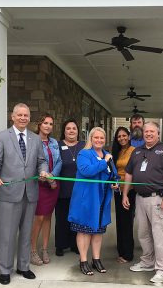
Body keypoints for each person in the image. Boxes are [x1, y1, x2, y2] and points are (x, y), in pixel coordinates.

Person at [0, 103, 50, 285]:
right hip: (8, 193)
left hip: (30, 193)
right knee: (7, 233)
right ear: (12, 117)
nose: (23, 118)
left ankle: (23, 266)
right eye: (19, 115)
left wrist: (44, 170)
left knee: (26, 233)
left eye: (26, 115)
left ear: (30, 118)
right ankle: (5, 270)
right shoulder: (1, 137)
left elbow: (41, 161)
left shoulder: (35, 139)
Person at [123, 121, 163, 284]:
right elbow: (128, 174)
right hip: (140, 198)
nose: (148, 134)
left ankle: (162, 269)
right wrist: (125, 194)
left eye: (152, 131)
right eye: (146, 131)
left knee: (159, 235)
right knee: (143, 233)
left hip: (158, 199)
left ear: (158, 133)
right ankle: (147, 262)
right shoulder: (137, 151)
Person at [68, 127, 119, 275]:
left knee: (98, 231)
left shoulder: (107, 155)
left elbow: (114, 174)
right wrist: (104, 162)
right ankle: (83, 260)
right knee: (84, 230)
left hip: (102, 199)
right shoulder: (84, 153)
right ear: (91, 139)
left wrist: (115, 183)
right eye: (96, 138)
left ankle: (96, 259)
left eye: (101, 138)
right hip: (86, 199)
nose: (99, 140)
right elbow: (87, 171)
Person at [30, 113, 62, 265]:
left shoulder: (54, 142)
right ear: (39, 125)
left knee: (49, 216)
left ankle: (44, 249)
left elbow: (59, 161)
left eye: (50, 123)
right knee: (39, 217)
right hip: (40, 184)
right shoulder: (33, 141)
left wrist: (52, 177)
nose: (48, 126)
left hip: (53, 184)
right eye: (45, 123)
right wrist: (45, 177)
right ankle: (33, 250)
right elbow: (30, 162)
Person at [55, 118, 85, 256]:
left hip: (79, 189)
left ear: (78, 131)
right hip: (62, 189)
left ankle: (74, 244)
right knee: (61, 218)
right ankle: (60, 245)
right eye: (68, 128)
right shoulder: (58, 144)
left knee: (77, 218)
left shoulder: (84, 146)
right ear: (64, 131)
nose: (71, 131)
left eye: (74, 128)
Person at [111, 126, 135, 263]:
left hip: (129, 190)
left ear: (129, 136)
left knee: (127, 222)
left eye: (124, 135)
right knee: (120, 221)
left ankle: (128, 254)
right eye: (119, 136)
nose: (122, 138)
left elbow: (133, 171)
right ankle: (121, 250)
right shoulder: (117, 151)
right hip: (117, 190)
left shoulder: (134, 151)